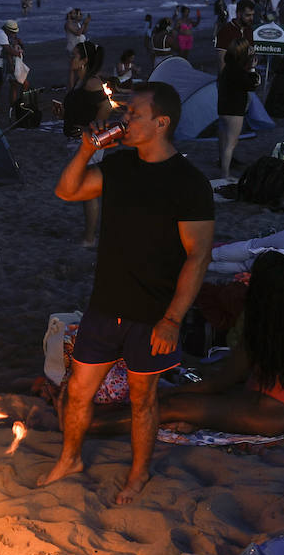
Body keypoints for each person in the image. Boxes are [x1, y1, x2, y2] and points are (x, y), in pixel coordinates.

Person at [40, 81, 214, 506]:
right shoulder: (119, 167)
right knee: (78, 390)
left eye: (134, 114)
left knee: (143, 398)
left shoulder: (189, 183)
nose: (125, 120)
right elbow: (66, 191)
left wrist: (172, 319)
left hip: (153, 313)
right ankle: (70, 459)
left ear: (161, 122)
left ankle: (138, 474)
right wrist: (86, 149)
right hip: (106, 304)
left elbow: (198, 257)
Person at [89, 250, 284, 439]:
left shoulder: (265, 329)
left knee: (169, 405)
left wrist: (164, 392)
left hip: (271, 413)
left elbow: (218, 383)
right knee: (180, 402)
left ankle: (87, 425)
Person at [62, 41, 113, 248]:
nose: (71, 59)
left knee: (88, 191)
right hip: (78, 142)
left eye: (75, 56)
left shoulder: (92, 82)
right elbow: (80, 109)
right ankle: (89, 235)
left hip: (88, 144)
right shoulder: (81, 82)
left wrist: (89, 130)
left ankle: (90, 238)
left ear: (84, 61)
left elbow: (107, 107)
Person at [216, 37, 258, 182]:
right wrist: (252, 67)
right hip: (234, 110)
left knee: (223, 141)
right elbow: (251, 85)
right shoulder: (238, 70)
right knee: (231, 143)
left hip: (223, 107)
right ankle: (225, 174)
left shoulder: (227, 67)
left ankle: (223, 170)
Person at [214, 0, 255, 67]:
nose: (251, 18)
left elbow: (251, 54)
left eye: (252, 15)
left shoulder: (249, 30)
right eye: (248, 15)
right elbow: (221, 60)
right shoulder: (226, 31)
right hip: (231, 75)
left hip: (246, 75)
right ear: (239, 14)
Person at [65, 8, 90, 87]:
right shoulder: (68, 24)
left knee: (81, 67)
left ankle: (78, 85)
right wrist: (83, 24)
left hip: (80, 47)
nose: (77, 15)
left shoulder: (77, 23)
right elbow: (78, 33)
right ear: (69, 14)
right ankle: (72, 87)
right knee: (73, 69)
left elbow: (84, 32)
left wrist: (86, 24)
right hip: (74, 48)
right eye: (75, 13)